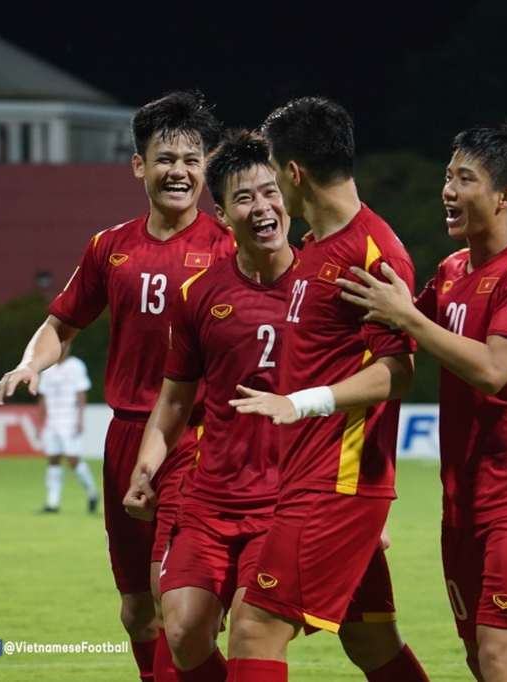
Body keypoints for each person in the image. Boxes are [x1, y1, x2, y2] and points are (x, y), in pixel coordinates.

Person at [0, 91, 235, 682]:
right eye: (165, 158)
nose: (179, 171)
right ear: (138, 165)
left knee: (175, 605)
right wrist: (31, 365)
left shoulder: (229, 247)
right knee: (137, 615)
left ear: (206, 168)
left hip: (196, 439)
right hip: (125, 438)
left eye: (192, 160)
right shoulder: (109, 247)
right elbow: (61, 324)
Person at [338, 121, 507, 682]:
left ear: (504, 196)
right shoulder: (449, 273)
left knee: (498, 654)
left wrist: (409, 317)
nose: (447, 189)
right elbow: (392, 337)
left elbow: (493, 370)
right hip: (461, 496)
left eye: (465, 179)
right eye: (448, 176)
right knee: (478, 657)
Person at [227, 97, 429, 682]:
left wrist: (300, 404)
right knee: (371, 640)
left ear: (294, 172)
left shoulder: (372, 254)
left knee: (255, 626)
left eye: (272, 173)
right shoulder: (316, 245)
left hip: (335, 482)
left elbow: (397, 371)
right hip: (316, 477)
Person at [122, 129, 294, 682]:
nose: (261, 207)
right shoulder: (199, 294)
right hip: (210, 497)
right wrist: (146, 469)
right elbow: (173, 399)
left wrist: (359, 506)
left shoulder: (323, 285)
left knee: (252, 629)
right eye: (244, 198)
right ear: (222, 214)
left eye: (270, 193)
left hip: (286, 499)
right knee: (181, 631)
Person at [36, 344, 99, 514]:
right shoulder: (47, 368)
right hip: (52, 421)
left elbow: (81, 393)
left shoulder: (76, 366)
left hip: (69, 419)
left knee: (73, 460)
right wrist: (39, 421)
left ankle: (92, 492)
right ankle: (52, 503)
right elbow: (43, 396)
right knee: (53, 459)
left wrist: (80, 419)